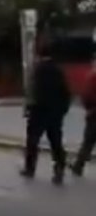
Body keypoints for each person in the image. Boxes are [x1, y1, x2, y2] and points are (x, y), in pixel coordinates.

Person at [21, 44, 72, 184]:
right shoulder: (58, 70)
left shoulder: (38, 70)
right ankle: (59, 167)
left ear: (39, 55)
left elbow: (32, 90)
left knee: (33, 140)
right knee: (56, 141)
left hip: (39, 110)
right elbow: (66, 92)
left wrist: (28, 108)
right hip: (55, 112)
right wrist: (63, 109)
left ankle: (30, 168)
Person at [71, 61, 96, 177]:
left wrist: (89, 108)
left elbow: (86, 95)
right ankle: (78, 166)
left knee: (88, 142)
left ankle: (78, 166)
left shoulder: (93, 77)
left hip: (94, 115)